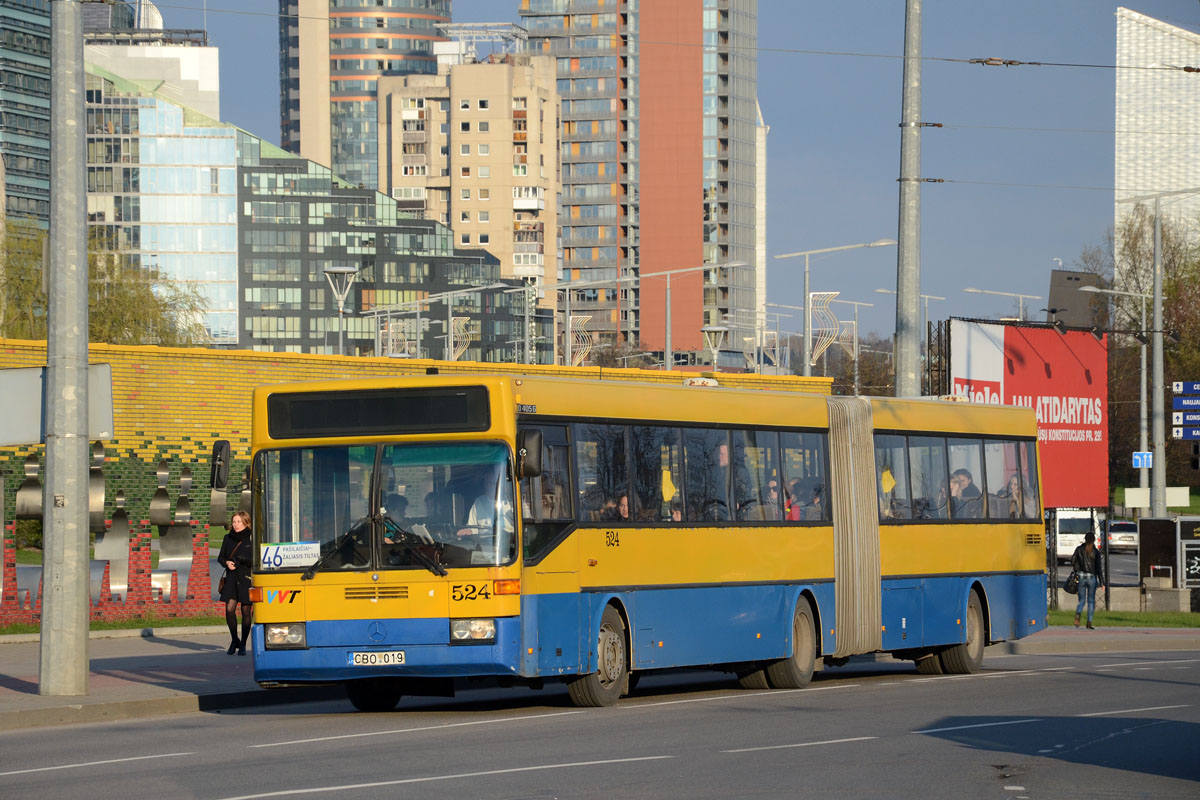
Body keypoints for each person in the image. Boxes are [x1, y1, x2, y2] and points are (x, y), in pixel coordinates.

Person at [218, 510, 253, 656]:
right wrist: (226, 562)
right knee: (229, 609)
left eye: (239, 521)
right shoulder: (228, 538)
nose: (236, 525)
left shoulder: (252, 538)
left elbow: (254, 560)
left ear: (246, 522)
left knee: (246, 611)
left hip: (245, 578)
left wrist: (240, 561)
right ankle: (234, 640)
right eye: (234, 522)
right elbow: (221, 557)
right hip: (232, 578)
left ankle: (243, 643)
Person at [1071, 531, 1105, 629]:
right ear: (1093, 540)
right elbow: (1099, 568)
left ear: (1085, 539)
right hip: (1092, 578)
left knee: (1081, 600)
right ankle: (1089, 621)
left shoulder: (1079, 549)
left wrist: (1077, 568)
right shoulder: (1096, 552)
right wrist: (1102, 582)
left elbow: (1073, 560)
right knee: (1091, 601)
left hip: (1081, 576)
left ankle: (1078, 613)